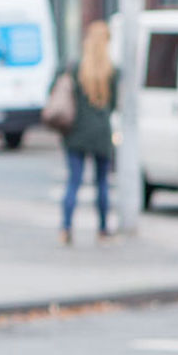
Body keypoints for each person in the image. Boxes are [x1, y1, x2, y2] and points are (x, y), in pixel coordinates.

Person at [57, 20, 119, 244]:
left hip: (76, 133)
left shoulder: (75, 68)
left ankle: (65, 228)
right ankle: (103, 230)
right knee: (102, 183)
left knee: (73, 182)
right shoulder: (111, 72)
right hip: (102, 134)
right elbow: (113, 105)